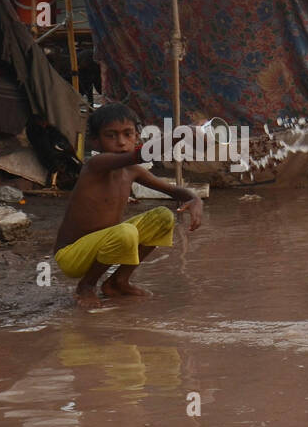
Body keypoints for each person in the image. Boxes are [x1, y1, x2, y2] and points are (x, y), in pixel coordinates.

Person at [54, 103, 203, 307]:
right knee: (125, 233)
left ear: (137, 137)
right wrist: (179, 135)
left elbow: (175, 191)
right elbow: (141, 155)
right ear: (95, 141)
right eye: (111, 135)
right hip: (72, 256)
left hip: (106, 245)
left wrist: (194, 198)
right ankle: (87, 286)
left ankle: (118, 281)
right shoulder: (95, 165)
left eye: (127, 134)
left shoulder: (133, 171)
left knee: (163, 217)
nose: (121, 142)